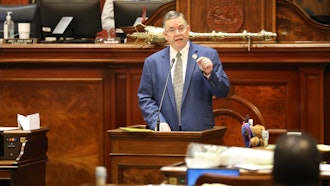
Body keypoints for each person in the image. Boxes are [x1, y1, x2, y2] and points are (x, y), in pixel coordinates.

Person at [137, 10, 230, 131]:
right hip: (166, 134)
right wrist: (157, 121)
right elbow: (145, 97)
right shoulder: (153, 62)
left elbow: (223, 91)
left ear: (188, 29)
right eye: (172, 30)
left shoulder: (208, 55)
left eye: (181, 28)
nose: (177, 33)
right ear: (165, 35)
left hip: (200, 132)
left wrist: (209, 74)